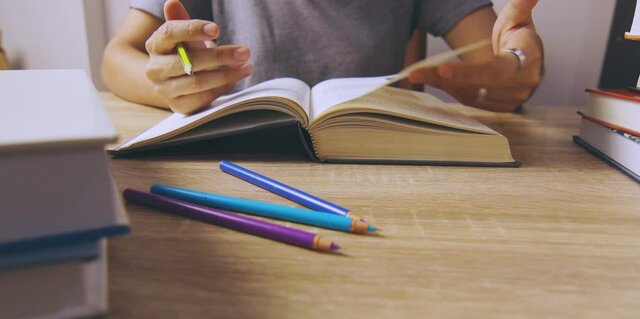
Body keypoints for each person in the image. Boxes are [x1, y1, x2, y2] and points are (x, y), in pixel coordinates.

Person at [102, 0, 543, 114]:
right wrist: (169, 84)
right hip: (233, 166)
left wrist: (518, 65)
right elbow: (117, 58)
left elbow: (503, 59)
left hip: (384, 176)